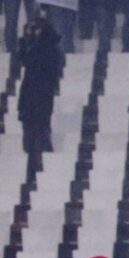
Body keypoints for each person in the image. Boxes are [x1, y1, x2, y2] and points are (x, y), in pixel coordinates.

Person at [17, 17, 63, 174]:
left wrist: (28, 43)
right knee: (33, 129)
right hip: (33, 94)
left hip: (39, 94)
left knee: (38, 129)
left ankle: (39, 160)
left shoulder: (48, 48)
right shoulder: (42, 46)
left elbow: (30, 61)